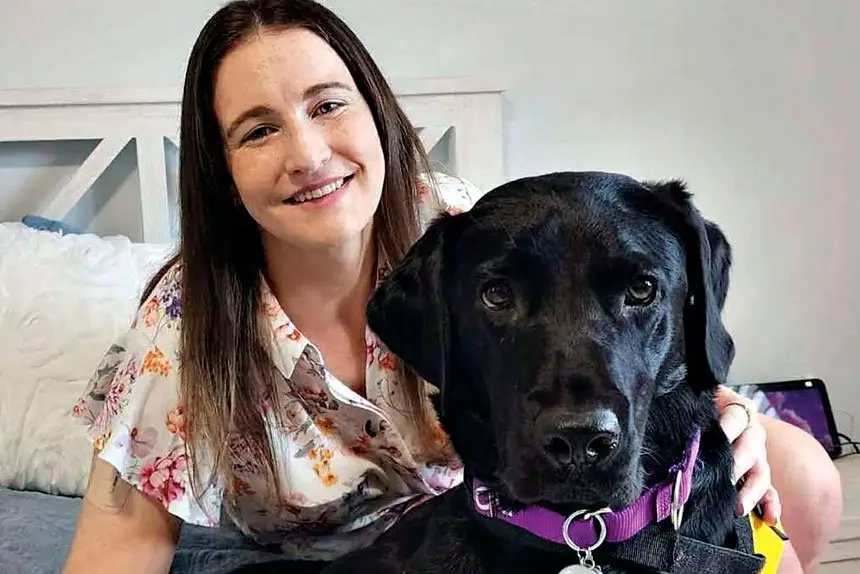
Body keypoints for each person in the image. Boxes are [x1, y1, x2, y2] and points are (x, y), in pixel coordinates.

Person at [62, 1, 841, 573]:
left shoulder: (469, 226)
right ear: (222, 173)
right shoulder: (184, 330)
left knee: (797, 467)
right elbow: (119, 543)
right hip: (352, 559)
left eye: (328, 105)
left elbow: (595, 305)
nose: (307, 153)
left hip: (512, 507)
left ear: (377, 116)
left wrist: (723, 409)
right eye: (258, 130)